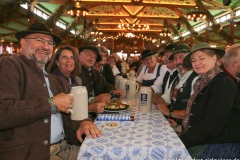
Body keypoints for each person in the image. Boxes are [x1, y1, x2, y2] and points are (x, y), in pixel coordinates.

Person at [0, 22, 102, 160]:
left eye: (49, 43)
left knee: (106, 154)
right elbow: (3, 112)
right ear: (23, 42)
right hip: (32, 153)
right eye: (39, 40)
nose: (45, 46)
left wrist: (83, 122)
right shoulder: (10, 65)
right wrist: (51, 104)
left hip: (64, 147)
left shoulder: (55, 80)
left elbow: (72, 110)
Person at [169, 42, 240, 159]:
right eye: (193, 60)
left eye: (201, 58)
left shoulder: (223, 83)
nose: (197, 63)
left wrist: (182, 141)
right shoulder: (203, 82)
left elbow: (212, 123)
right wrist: (179, 128)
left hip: (222, 144)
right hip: (209, 140)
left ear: (214, 59)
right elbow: (199, 117)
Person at [152, 43, 198, 126]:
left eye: (182, 57)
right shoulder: (177, 78)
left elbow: (194, 112)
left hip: (187, 129)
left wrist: (169, 112)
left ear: (190, 59)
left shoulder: (196, 79)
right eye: (175, 59)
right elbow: (164, 101)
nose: (178, 62)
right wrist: (147, 93)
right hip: (173, 124)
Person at [78, 46, 124, 114]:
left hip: (98, 111)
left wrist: (113, 91)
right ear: (80, 55)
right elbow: (77, 100)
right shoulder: (75, 73)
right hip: (83, 115)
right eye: (90, 55)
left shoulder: (95, 72)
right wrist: (95, 99)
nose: (92, 59)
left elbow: (105, 85)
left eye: (94, 57)